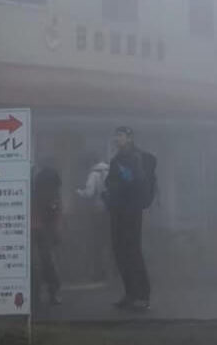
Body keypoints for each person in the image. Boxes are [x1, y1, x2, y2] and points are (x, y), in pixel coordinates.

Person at [106, 126, 155, 310]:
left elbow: (136, 183)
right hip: (117, 210)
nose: (117, 139)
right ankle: (130, 294)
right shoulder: (117, 159)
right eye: (116, 135)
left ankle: (142, 294)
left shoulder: (135, 158)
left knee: (132, 251)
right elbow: (112, 182)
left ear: (130, 138)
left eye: (120, 136)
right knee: (120, 252)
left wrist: (120, 186)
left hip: (131, 211)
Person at [75, 154, 111, 283]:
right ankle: (112, 273)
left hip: (98, 211)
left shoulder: (94, 174)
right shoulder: (110, 170)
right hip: (112, 211)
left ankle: (99, 273)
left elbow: (89, 193)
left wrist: (79, 192)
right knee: (110, 242)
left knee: (97, 244)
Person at [31, 159, 63, 306]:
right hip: (45, 230)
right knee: (47, 262)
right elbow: (55, 215)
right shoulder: (53, 195)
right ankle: (52, 292)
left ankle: (35, 295)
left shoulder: (34, 189)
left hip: (33, 229)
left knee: (35, 263)